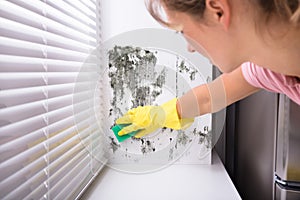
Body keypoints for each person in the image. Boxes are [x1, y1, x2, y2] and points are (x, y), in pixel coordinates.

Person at [116, 0, 300, 138]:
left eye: (182, 30)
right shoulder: (268, 70)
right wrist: (159, 115)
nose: (190, 48)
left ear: (218, 11)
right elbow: (208, 98)